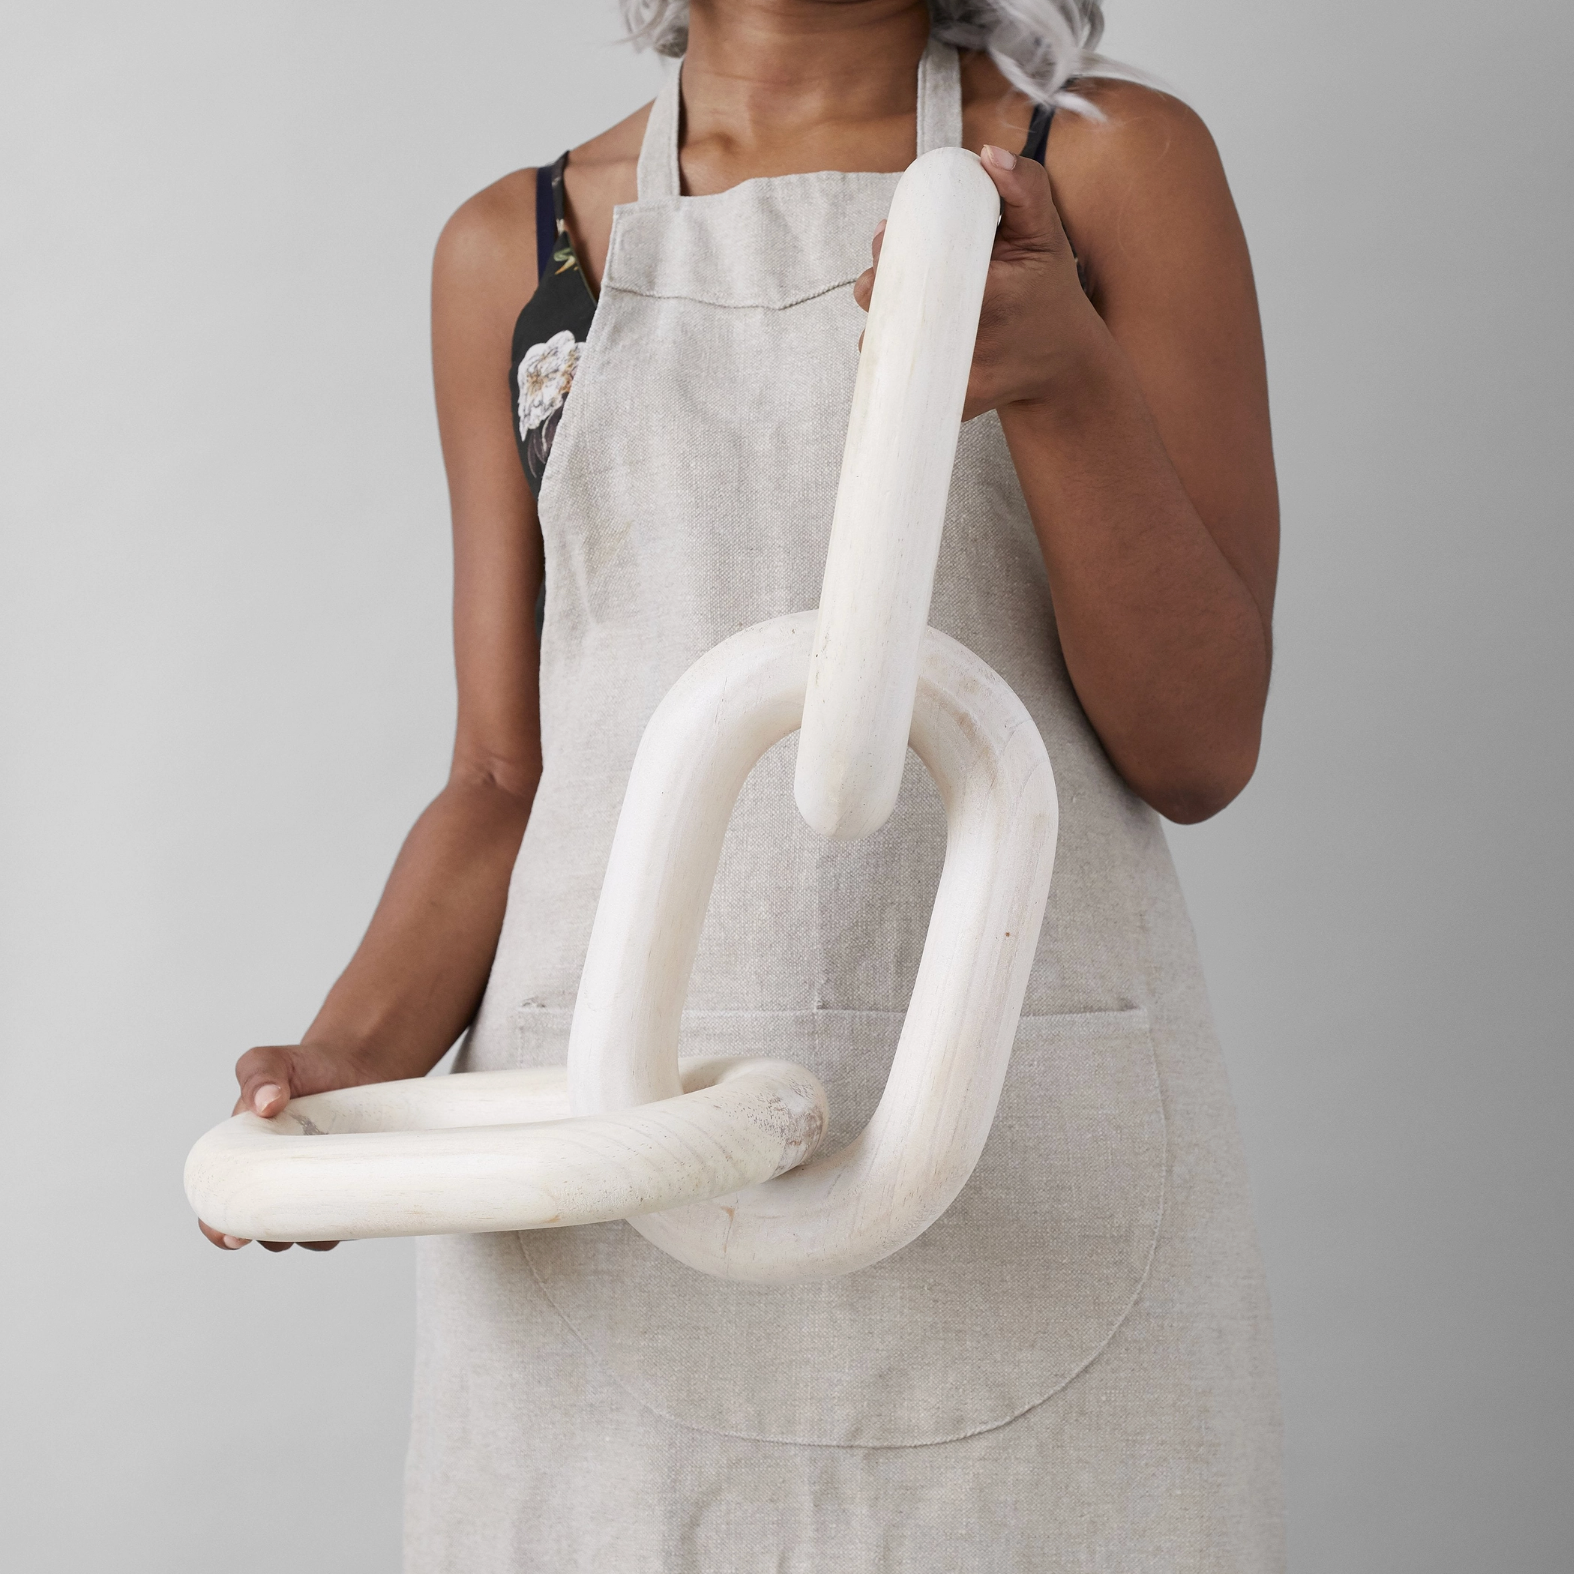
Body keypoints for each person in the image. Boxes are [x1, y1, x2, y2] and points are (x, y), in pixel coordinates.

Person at [201, 1, 1283, 1567]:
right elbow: (508, 774)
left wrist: (1063, 380)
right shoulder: (514, 255)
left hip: (1013, 1148)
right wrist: (336, 1068)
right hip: (611, 1177)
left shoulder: (1104, 171)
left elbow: (1198, 742)